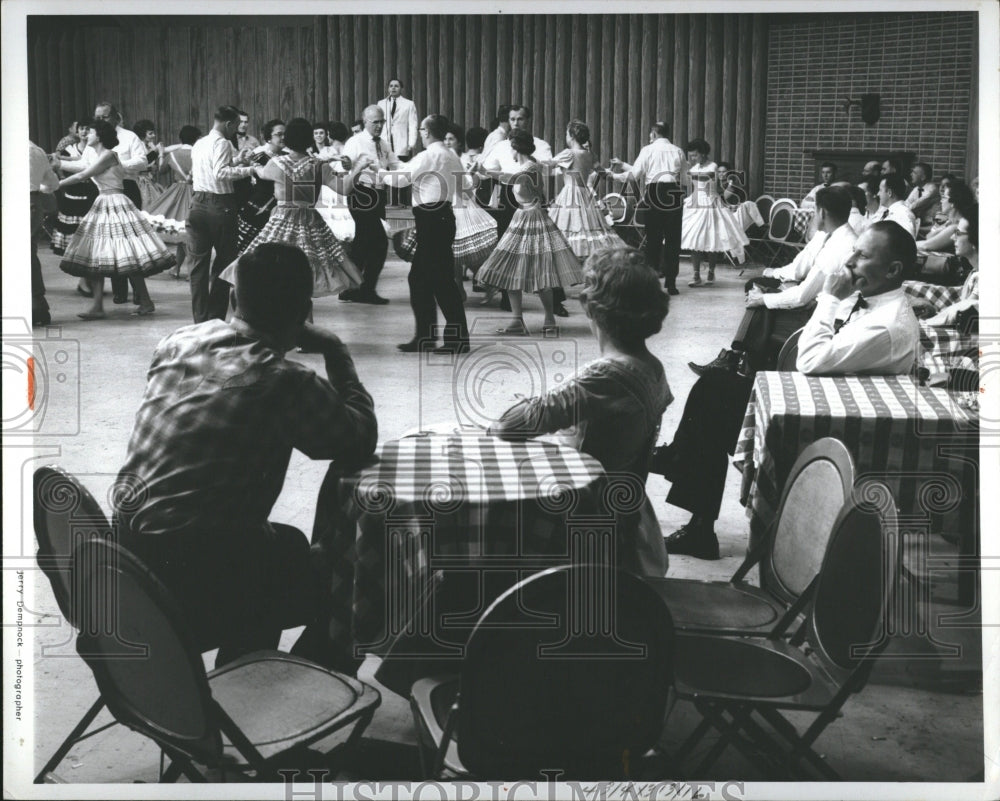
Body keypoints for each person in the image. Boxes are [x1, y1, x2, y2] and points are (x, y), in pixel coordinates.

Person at [114, 242, 378, 670]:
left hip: (125, 555)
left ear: (234, 298)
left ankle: (236, 683)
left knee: (280, 548)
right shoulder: (286, 381)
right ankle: (265, 689)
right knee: (338, 579)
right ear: (306, 310)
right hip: (193, 570)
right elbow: (357, 440)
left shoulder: (178, 341)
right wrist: (337, 352)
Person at [651, 221, 921, 559]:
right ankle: (690, 497)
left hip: (835, 433)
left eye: (862, 256)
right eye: (852, 252)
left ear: (893, 269)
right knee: (716, 385)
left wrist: (829, 299)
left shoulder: (886, 325)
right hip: (828, 402)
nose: (849, 262)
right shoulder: (876, 301)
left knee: (716, 396)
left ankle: (682, 475)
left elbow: (809, 359)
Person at [490, 247, 671, 577]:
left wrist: (536, 402)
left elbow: (507, 426)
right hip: (625, 509)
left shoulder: (603, 376)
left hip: (583, 514)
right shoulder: (652, 367)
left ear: (591, 308)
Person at [690, 186, 857, 375]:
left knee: (761, 306)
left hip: (830, 319)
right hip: (816, 303)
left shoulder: (839, 247)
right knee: (762, 303)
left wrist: (764, 299)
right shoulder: (833, 235)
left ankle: (739, 364)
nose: (812, 217)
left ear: (822, 212)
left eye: (814, 212)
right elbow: (801, 269)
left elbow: (803, 296)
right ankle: (739, 362)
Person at [219, 117, 367, 299]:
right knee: (307, 271)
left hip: (281, 220)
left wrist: (252, 165)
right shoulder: (319, 165)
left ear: (288, 138)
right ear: (309, 140)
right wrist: (358, 168)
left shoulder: (277, 163)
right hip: (310, 221)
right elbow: (344, 188)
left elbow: (262, 173)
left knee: (273, 265)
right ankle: (303, 316)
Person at [56, 119, 174, 318]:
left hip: (114, 202)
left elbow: (82, 175)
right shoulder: (102, 155)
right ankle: (106, 305)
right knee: (102, 253)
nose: (86, 135)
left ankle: (137, 302)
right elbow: (82, 166)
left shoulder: (109, 155)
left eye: (91, 132)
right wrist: (59, 161)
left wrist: (52, 186)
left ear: (100, 136)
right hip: (106, 201)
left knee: (121, 252)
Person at [476, 128, 583, 335]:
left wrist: (485, 170)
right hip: (532, 216)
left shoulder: (527, 168)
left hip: (528, 218)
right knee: (527, 270)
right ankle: (537, 320)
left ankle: (536, 320)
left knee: (524, 269)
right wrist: (486, 171)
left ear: (515, 147)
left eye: (510, 146)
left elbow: (511, 177)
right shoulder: (532, 164)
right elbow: (509, 177)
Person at [382, 114, 471, 354]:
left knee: (440, 281)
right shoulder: (451, 155)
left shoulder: (429, 155)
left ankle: (454, 340)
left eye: (422, 129)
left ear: (427, 132)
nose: (420, 132)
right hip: (442, 217)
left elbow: (401, 180)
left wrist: (377, 172)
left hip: (431, 219)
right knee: (422, 279)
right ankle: (426, 337)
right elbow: (467, 186)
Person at [184, 105, 257, 323]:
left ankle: (199, 319)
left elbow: (209, 168)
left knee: (197, 266)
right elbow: (220, 173)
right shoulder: (223, 142)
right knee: (224, 264)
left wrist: (237, 161)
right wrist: (250, 169)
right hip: (220, 205)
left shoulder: (200, 143)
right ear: (228, 124)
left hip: (197, 203)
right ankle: (215, 318)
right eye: (236, 125)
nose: (237, 130)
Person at [608, 121, 686, 295]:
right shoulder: (678, 150)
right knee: (673, 238)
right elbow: (685, 178)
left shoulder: (647, 150)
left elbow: (635, 174)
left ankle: (652, 282)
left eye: (650, 134)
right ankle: (671, 283)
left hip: (654, 191)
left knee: (653, 238)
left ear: (654, 134)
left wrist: (613, 175)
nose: (649, 137)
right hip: (674, 192)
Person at [340, 104, 404, 305]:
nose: (379, 125)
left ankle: (351, 289)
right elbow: (345, 163)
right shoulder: (355, 141)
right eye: (375, 122)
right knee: (379, 243)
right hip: (361, 194)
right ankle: (367, 290)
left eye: (381, 121)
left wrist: (414, 170)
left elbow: (395, 165)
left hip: (378, 195)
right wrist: (347, 163)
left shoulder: (384, 144)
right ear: (365, 122)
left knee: (361, 244)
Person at [93, 102, 152, 305]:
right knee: (110, 242)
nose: (100, 120)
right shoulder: (96, 139)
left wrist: (115, 165)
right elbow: (85, 165)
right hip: (103, 191)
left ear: (116, 117)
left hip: (127, 188)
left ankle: (138, 291)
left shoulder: (129, 136)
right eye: (97, 117)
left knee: (129, 241)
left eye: (105, 116)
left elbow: (142, 161)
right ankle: (119, 290)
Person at [547, 119, 624, 260]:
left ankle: (569, 262)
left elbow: (549, 165)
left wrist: (531, 159)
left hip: (570, 193)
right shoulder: (590, 154)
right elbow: (604, 174)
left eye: (566, 133)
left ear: (571, 135)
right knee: (587, 227)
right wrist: (618, 174)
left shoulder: (569, 153)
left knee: (570, 225)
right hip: (585, 194)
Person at [679, 138, 749, 287]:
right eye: (690, 155)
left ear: (703, 154)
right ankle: (696, 274)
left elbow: (708, 178)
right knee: (693, 240)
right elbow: (690, 183)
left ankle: (711, 271)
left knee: (712, 239)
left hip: (711, 203)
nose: (692, 158)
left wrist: (688, 172)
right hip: (696, 203)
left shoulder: (713, 166)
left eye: (695, 155)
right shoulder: (694, 167)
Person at [141, 124, 202, 274]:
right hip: (196, 191)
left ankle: (182, 268)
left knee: (182, 233)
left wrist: (161, 154)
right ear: (196, 139)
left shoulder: (174, 154)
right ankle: (181, 268)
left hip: (176, 192)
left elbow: (161, 171)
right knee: (186, 233)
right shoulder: (199, 153)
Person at [235, 119, 286, 250]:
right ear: (268, 138)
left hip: (280, 208)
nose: (284, 137)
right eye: (279, 134)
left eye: (285, 134)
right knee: (247, 247)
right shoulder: (258, 153)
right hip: (258, 206)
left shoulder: (288, 155)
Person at [49, 118, 98, 256]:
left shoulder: (94, 150)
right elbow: (61, 168)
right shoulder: (69, 149)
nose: (84, 131)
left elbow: (88, 168)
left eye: (88, 129)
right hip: (73, 190)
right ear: (77, 131)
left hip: (90, 191)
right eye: (81, 128)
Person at [30, 141, 60, 326]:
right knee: (28, 253)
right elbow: (51, 183)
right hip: (31, 201)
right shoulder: (35, 149)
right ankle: (38, 306)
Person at [377, 78, 419, 161]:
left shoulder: (409, 104)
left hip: (401, 142)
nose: (393, 88)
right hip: (385, 140)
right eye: (391, 86)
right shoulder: (381, 103)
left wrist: (411, 143)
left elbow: (413, 125)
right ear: (388, 88)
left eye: (396, 86)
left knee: (400, 168)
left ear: (401, 89)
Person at [131, 119, 165, 208]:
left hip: (148, 180)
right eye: (150, 133)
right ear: (142, 134)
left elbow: (164, 149)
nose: (154, 135)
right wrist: (156, 152)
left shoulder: (149, 145)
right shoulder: (139, 145)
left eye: (153, 133)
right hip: (140, 181)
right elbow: (142, 162)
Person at [874, 173, 919, 238]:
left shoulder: (904, 214)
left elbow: (908, 242)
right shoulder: (887, 212)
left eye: (880, 190)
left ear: (889, 193)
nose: (878, 194)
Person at [905, 162, 940, 237]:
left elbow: (914, 207)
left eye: (914, 173)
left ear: (923, 177)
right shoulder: (917, 189)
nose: (911, 175)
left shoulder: (932, 189)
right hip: (921, 225)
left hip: (932, 226)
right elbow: (906, 204)